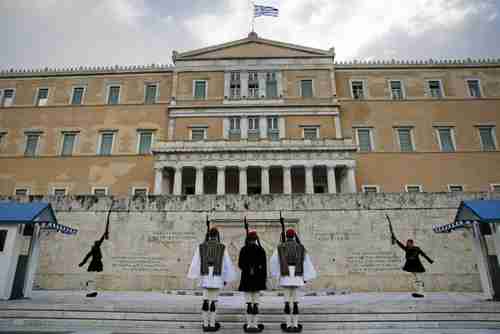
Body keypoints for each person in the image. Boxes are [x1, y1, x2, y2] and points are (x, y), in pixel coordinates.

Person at [188, 227, 236, 332]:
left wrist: (195, 275)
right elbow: (226, 264)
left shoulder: (201, 246)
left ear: (209, 235)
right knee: (214, 301)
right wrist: (226, 277)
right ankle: (212, 324)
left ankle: (205, 325)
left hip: (205, 276)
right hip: (216, 277)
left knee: (205, 300)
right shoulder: (222, 247)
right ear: (217, 235)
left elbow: (196, 262)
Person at [270, 228, 317, 333]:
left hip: (286, 276)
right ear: (294, 236)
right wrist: (305, 277)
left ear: (286, 236)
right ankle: (295, 325)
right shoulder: (301, 247)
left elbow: (273, 262)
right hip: (297, 275)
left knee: (287, 302)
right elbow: (306, 262)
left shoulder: (280, 247)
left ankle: (288, 325)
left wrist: (277, 275)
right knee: (295, 302)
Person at [238, 229, 267, 333]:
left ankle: (249, 325)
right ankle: (255, 325)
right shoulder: (261, 250)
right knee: (255, 304)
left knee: (249, 303)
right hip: (257, 280)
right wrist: (263, 280)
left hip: (246, 279)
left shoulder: (243, 249)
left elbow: (240, 265)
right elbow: (264, 267)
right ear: (256, 239)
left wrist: (248, 268)